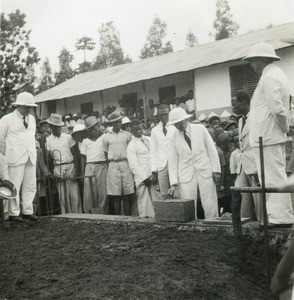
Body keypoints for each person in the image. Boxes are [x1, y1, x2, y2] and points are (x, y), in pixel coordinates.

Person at [244, 42, 294, 226]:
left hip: (268, 137)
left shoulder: (270, 77)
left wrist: (285, 128)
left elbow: (277, 109)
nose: (251, 65)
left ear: (262, 59)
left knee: (273, 177)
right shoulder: (273, 74)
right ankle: (278, 216)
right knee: (271, 177)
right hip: (267, 136)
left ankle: (281, 218)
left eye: (253, 60)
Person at [167, 107, 221, 219]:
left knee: (209, 201)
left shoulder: (200, 129)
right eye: (174, 124)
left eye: (179, 122)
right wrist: (174, 182)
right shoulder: (173, 137)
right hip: (186, 174)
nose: (177, 126)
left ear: (185, 120)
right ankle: (192, 228)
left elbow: (212, 150)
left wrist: (216, 170)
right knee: (188, 203)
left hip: (204, 170)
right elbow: (172, 161)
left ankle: (213, 224)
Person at [0, 92, 38, 221]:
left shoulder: (32, 119)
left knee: (30, 185)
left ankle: (28, 211)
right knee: (14, 185)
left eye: (30, 107)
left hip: (30, 156)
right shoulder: (7, 119)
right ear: (19, 106)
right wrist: (7, 154)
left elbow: (30, 137)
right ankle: (13, 213)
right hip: (14, 157)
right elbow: (0, 140)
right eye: (26, 107)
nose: (29, 109)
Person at [231, 90, 263, 222]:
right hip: (242, 165)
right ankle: (247, 229)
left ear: (243, 103)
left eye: (235, 104)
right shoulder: (240, 121)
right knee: (245, 201)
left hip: (255, 165)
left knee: (259, 201)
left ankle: (262, 225)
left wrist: (259, 167)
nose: (233, 108)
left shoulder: (257, 117)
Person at [46, 113, 82, 214]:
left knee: (74, 194)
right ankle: (65, 215)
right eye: (54, 127)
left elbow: (76, 153)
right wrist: (52, 172)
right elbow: (48, 158)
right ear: (51, 127)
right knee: (63, 196)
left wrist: (77, 170)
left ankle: (78, 215)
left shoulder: (68, 137)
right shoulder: (48, 140)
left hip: (71, 165)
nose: (57, 129)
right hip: (58, 167)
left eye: (58, 127)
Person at [102, 112, 135, 215]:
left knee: (126, 195)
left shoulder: (127, 135)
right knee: (116, 196)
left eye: (120, 121)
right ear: (112, 123)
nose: (118, 123)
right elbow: (105, 152)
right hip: (113, 165)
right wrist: (112, 164)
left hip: (125, 164)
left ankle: (128, 218)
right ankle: (117, 219)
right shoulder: (106, 137)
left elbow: (131, 151)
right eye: (116, 122)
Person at [127, 119, 155, 218]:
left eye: (140, 129)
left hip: (153, 174)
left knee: (156, 200)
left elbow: (154, 155)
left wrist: (154, 172)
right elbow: (133, 165)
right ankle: (145, 221)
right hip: (142, 177)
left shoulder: (149, 139)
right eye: (135, 130)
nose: (138, 132)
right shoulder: (131, 146)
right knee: (144, 201)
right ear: (131, 131)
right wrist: (145, 178)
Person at [81, 117, 108, 214]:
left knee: (102, 191)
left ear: (98, 126)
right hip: (89, 167)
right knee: (89, 192)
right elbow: (83, 158)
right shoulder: (86, 141)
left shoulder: (105, 137)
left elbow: (107, 154)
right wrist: (83, 172)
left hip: (102, 165)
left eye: (94, 128)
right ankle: (91, 213)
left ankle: (103, 213)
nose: (93, 131)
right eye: (90, 129)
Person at [150, 104, 176, 196]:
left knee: (176, 192)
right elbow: (153, 151)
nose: (163, 117)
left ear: (169, 114)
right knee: (164, 194)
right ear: (158, 116)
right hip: (161, 166)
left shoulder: (175, 127)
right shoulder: (155, 130)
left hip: (175, 163)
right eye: (161, 115)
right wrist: (154, 171)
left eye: (165, 114)